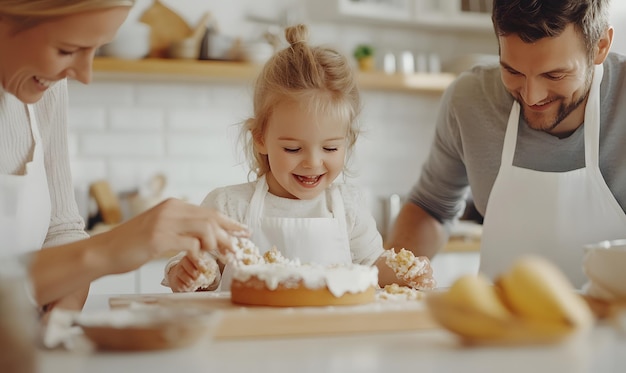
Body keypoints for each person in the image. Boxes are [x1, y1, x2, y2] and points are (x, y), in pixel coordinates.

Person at [0, 0, 248, 314]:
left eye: (96, 48)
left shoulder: (44, 87)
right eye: (66, 50)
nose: (84, 75)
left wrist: (60, 318)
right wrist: (108, 250)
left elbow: (60, 230)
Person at [163, 24, 435, 292]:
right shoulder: (230, 207)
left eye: (330, 149)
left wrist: (406, 271)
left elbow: (373, 267)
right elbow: (197, 263)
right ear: (260, 138)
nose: (313, 163)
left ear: (347, 142)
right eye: (293, 149)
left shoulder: (347, 207)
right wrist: (192, 272)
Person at [385, 0, 625, 288]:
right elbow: (430, 208)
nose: (532, 96)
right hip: (497, 326)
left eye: (554, 75)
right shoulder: (469, 100)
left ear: (600, 46)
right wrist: (393, 282)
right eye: (513, 72)